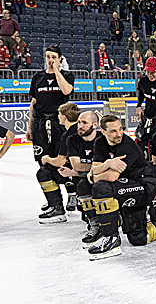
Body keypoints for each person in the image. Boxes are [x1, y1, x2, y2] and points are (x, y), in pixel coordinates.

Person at [85, 114, 156, 259]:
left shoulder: (127, 145)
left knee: (101, 188)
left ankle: (111, 238)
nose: (119, 134)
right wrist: (106, 165)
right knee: (139, 238)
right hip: (126, 186)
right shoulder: (100, 142)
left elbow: (111, 176)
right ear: (103, 130)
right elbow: (96, 167)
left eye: (121, 129)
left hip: (144, 185)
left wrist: (93, 175)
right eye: (113, 131)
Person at [27, 45, 75, 220]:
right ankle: (53, 199)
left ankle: (72, 194)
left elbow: (66, 91)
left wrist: (57, 71)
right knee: (43, 161)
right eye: (48, 56)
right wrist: (30, 126)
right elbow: (33, 102)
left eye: (54, 57)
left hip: (59, 123)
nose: (50, 60)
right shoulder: (37, 77)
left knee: (64, 159)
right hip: (40, 123)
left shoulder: (67, 76)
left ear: (60, 59)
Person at [60, 110, 102, 244]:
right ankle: (94, 223)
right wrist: (77, 172)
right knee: (85, 214)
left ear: (95, 125)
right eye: (79, 122)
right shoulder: (72, 140)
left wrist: (74, 173)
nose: (80, 126)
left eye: (84, 123)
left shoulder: (102, 139)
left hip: (105, 179)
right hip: (86, 179)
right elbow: (77, 166)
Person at [36, 102, 81, 223]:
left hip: (76, 173)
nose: (58, 117)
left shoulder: (67, 135)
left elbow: (60, 160)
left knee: (44, 172)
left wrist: (46, 159)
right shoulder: (81, 130)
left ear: (64, 117)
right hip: (86, 170)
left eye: (59, 115)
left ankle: (57, 208)